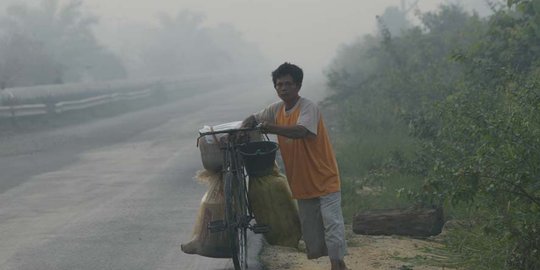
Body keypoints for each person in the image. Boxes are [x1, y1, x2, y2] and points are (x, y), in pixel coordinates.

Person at [242, 62, 349, 270]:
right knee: (312, 231)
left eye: (288, 84)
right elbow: (255, 117)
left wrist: (271, 127)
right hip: (302, 182)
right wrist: (247, 123)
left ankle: (337, 265)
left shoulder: (308, 107)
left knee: (332, 224)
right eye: (279, 84)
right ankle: (340, 265)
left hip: (324, 177)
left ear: (298, 86)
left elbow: (300, 131)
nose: (283, 88)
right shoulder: (277, 109)